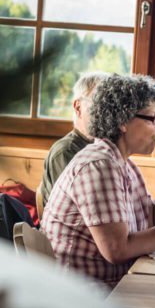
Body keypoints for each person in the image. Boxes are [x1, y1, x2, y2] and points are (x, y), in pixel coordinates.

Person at [41, 73, 155, 287]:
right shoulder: (99, 166)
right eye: (153, 117)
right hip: (88, 296)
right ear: (123, 122)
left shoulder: (123, 163)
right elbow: (117, 251)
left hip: (115, 285)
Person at [38, 72, 109, 213]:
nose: (106, 112)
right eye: (99, 104)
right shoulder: (66, 151)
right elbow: (83, 211)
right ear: (78, 107)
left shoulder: (103, 149)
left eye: (109, 105)